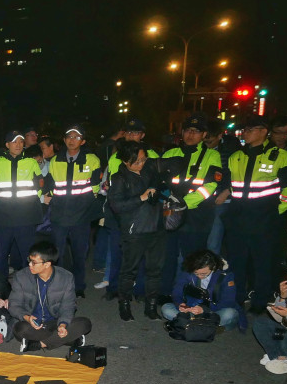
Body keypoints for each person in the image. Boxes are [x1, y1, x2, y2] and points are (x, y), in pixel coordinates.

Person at [224, 115, 287, 313]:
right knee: (237, 262)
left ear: (264, 131)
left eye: (250, 129)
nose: (245, 133)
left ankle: (259, 302)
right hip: (239, 219)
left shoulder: (281, 156)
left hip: (264, 220)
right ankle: (237, 298)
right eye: (245, 129)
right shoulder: (236, 157)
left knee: (262, 264)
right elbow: (233, 188)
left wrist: (274, 212)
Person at [108, 140, 187, 321]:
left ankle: (151, 307)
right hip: (135, 231)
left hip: (157, 228)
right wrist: (141, 197)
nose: (141, 164)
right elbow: (117, 206)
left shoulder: (150, 167)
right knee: (129, 270)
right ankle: (124, 306)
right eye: (137, 161)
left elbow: (179, 162)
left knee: (155, 271)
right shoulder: (119, 178)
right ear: (125, 161)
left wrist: (162, 178)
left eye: (144, 159)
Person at [160, 113, 225, 303]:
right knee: (168, 256)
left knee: (193, 259)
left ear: (204, 134)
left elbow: (211, 185)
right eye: (188, 130)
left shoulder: (212, 155)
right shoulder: (171, 153)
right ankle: (165, 293)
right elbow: (160, 180)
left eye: (196, 131)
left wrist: (185, 203)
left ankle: (190, 295)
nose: (191, 135)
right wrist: (170, 199)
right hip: (171, 212)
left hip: (197, 215)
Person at [43, 124, 103, 298]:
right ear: (64, 139)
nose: (72, 140)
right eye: (69, 136)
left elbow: (95, 188)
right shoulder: (55, 160)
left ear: (83, 141)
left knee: (79, 254)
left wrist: (85, 209)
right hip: (59, 216)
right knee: (58, 255)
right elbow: (51, 186)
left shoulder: (92, 160)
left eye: (76, 137)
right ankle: (59, 286)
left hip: (81, 217)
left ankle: (79, 287)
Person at [9, 240, 92, 352]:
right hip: (32, 324)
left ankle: (39, 344)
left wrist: (63, 324)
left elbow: (68, 306)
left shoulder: (66, 278)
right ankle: (69, 339)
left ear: (47, 264)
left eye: (34, 262)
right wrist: (27, 318)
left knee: (85, 324)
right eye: (29, 260)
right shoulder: (21, 277)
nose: (29, 264)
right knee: (20, 329)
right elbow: (14, 305)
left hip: (56, 322)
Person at [0, 131, 45, 277]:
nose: (18, 144)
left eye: (21, 141)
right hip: (3, 217)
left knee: (29, 256)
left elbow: (39, 186)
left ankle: (30, 287)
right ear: (7, 145)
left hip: (25, 218)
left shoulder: (31, 162)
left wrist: (31, 206)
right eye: (14, 142)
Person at [159, 249, 240, 330]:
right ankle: (205, 327)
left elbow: (228, 301)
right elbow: (177, 292)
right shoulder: (189, 271)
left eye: (203, 274)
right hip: (192, 310)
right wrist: (181, 304)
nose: (200, 276)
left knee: (230, 313)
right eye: (196, 273)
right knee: (166, 309)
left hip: (213, 311)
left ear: (214, 267)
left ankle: (188, 325)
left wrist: (204, 309)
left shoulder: (226, 276)